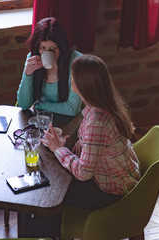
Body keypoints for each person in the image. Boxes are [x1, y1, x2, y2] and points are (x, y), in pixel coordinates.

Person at [43, 54, 141, 211]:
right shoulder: (101, 107)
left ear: (83, 84)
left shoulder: (97, 121)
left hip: (113, 192)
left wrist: (58, 149)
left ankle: (52, 231)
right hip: (123, 176)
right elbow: (95, 144)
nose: (69, 76)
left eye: (72, 75)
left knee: (51, 194)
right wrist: (74, 144)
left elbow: (83, 173)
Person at [17, 17, 82, 116]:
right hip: (42, 120)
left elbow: (72, 109)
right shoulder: (33, 58)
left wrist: (40, 105)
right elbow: (24, 105)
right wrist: (27, 74)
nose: (47, 53)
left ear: (62, 47)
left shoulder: (76, 62)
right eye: (42, 48)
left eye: (54, 48)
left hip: (68, 121)